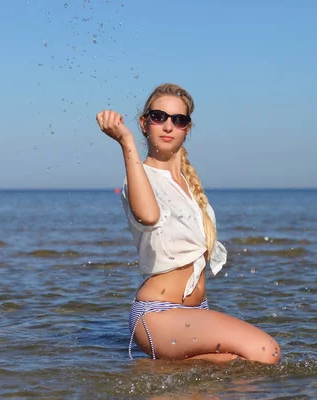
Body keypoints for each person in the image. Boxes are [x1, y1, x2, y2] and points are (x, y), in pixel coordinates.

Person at [96, 83, 280, 364]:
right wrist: (126, 142)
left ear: (187, 129)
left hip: (195, 312)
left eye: (178, 120)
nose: (168, 126)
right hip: (157, 315)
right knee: (266, 351)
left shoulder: (190, 186)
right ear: (145, 124)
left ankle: (161, 372)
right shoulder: (139, 177)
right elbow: (148, 215)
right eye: (159, 117)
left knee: (237, 370)